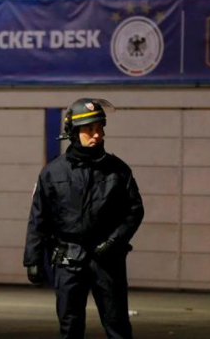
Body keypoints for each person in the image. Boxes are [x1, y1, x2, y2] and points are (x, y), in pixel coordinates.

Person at [23, 98, 144, 339]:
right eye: (89, 129)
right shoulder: (53, 172)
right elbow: (39, 216)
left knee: (117, 324)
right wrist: (33, 258)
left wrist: (113, 242)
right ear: (72, 131)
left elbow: (134, 211)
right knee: (70, 326)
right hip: (68, 258)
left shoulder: (118, 170)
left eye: (99, 128)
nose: (96, 135)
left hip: (107, 259)